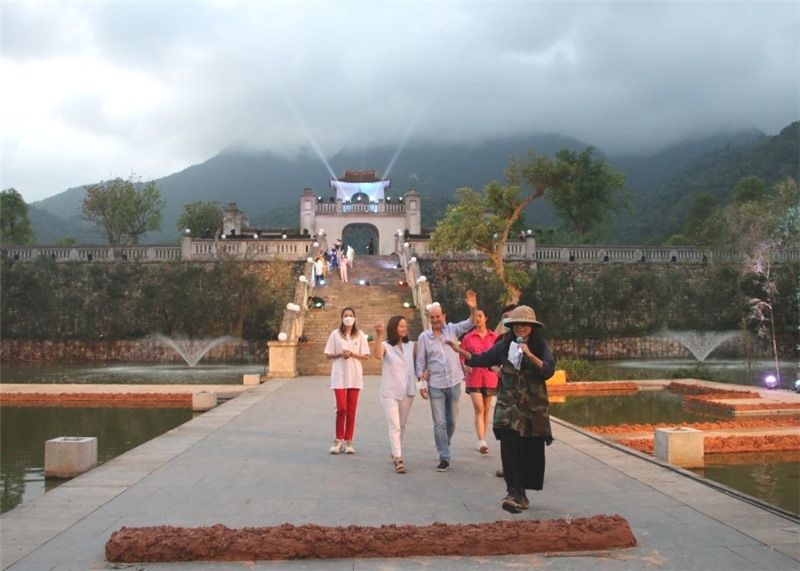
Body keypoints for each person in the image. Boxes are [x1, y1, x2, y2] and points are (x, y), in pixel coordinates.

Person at [447, 305, 555, 514]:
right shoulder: (505, 345)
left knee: (530, 453)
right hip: (509, 410)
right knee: (509, 450)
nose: (520, 328)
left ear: (532, 327)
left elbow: (548, 370)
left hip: (532, 412)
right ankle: (513, 492)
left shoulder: (540, 346)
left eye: (524, 324)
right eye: (516, 324)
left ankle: (522, 493)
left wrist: (529, 354)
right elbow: (483, 359)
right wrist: (460, 351)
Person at [414, 290, 478, 472]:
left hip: (454, 382)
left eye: (438, 316)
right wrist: (422, 385)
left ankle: (445, 444)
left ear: (444, 316)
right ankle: (444, 456)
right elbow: (420, 363)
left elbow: (471, 323)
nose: (435, 319)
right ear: (428, 318)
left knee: (452, 422)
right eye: (432, 317)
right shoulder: (424, 338)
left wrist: (473, 308)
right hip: (435, 385)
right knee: (439, 422)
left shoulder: (453, 330)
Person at [373, 316, 425, 474]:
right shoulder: (386, 345)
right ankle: (398, 457)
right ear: (394, 328)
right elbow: (377, 355)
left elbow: (419, 365)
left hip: (407, 391)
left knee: (401, 425)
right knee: (394, 425)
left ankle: (396, 450)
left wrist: (422, 384)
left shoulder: (411, 346)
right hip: (390, 391)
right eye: (401, 326)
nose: (404, 329)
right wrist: (379, 334)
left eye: (405, 326)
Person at [323, 307, 370, 454]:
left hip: (354, 376)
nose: (348, 318)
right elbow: (328, 355)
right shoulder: (335, 334)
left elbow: (366, 356)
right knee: (341, 408)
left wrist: (352, 354)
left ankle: (349, 440)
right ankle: (338, 439)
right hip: (339, 375)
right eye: (345, 315)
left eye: (350, 315)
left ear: (355, 318)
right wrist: (340, 354)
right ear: (341, 318)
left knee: (351, 410)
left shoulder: (359, 335)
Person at [459, 307, 499, 455]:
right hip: (474, 377)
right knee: (479, 408)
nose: (478, 319)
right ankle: (481, 440)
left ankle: (483, 439)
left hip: (489, 377)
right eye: (476, 316)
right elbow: (462, 355)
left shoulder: (494, 337)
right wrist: (464, 366)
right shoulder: (468, 338)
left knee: (487, 409)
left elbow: (498, 355)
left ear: (486, 318)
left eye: (480, 316)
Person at [493, 303, 517, 477]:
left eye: (512, 316)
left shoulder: (532, 341)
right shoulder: (500, 341)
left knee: (523, 432)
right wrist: (495, 369)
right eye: (505, 317)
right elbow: (489, 360)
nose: (508, 320)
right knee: (504, 430)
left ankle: (522, 466)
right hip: (505, 394)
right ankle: (508, 466)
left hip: (525, 395)